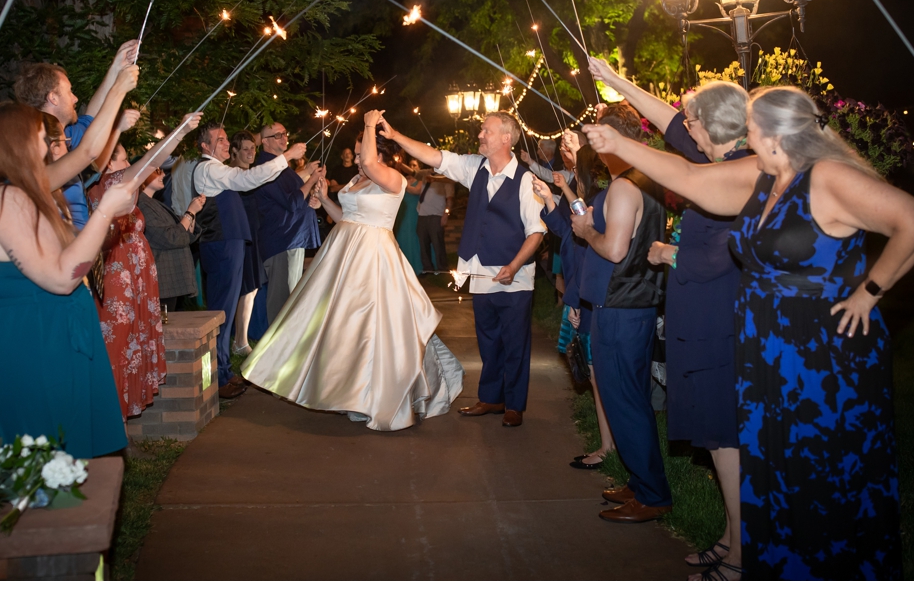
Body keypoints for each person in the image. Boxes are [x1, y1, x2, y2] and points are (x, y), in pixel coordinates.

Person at [578, 85, 914, 581]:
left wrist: (869, 291)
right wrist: (617, 142)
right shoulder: (764, 176)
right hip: (767, 350)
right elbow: (686, 174)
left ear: (770, 132)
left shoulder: (827, 177)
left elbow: (913, 220)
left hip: (824, 358)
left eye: (750, 123)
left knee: (820, 479)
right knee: (772, 475)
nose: (745, 131)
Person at [585, 57, 753, 576]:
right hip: (697, 323)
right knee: (716, 441)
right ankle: (730, 537)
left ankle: (744, 558)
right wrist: (615, 81)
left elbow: (729, 252)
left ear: (716, 125)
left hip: (720, 326)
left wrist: (668, 254)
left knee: (726, 441)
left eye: (694, 119)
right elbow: (674, 129)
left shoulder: (741, 170)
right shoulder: (719, 156)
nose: (686, 127)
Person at [0, 102, 170, 460]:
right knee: (36, 471)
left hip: (45, 336)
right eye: (42, 137)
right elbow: (61, 276)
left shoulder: (24, 191)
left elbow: (68, 248)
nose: (52, 143)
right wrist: (106, 211)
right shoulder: (7, 197)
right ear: (20, 142)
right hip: (25, 344)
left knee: (64, 472)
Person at [240, 111, 464, 431]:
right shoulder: (359, 180)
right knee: (343, 330)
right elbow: (344, 217)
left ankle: (383, 396)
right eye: (357, 155)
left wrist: (370, 124)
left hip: (374, 257)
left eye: (362, 154)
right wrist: (321, 197)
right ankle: (350, 392)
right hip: (343, 255)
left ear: (380, 153)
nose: (359, 160)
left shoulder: (392, 178)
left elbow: (372, 168)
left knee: (378, 328)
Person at [545, 106, 674, 526]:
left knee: (625, 401)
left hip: (620, 306)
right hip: (629, 303)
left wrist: (585, 232)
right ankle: (642, 482)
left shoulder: (623, 188)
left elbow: (615, 249)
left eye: (598, 139)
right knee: (630, 398)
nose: (593, 148)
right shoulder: (647, 183)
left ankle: (652, 495)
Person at [383, 111, 544, 427]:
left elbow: (536, 232)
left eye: (487, 131)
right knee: (488, 340)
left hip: (515, 277)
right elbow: (435, 156)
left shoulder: (526, 180)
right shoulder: (476, 168)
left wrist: (513, 265)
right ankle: (491, 398)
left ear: (506, 138)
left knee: (515, 343)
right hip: (480, 271)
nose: (480, 135)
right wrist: (396, 135)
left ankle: (514, 405)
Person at [180, 122, 303, 396]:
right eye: (220, 140)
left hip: (229, 244)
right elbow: (248, 180)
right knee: (220, 313)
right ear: (204, 146)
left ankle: (223, 371)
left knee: (224, 311)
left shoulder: (218, 169)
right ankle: (217, 378)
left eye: (225, 139)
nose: (226, 144)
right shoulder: (208, 168)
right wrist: (288, 156)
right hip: (222, 245)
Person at [12, 45, 140, 230]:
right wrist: (118, 90)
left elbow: (92, 121)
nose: (75, 98)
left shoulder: (68, 133)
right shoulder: (35, 147)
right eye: (69, 91)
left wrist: (115, 69)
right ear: (53, 98)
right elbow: (89, 152)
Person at [84, 146, 164, 418]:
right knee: (117, 345)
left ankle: (125, 415)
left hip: (136, 277)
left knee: (131, 344)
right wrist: (182, 130)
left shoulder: (121, 188)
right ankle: (112, 418)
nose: (129, 162)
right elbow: (147, 163)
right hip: (117, 275)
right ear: (106, 166)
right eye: (123, 158)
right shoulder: (105, 186)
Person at [246, 122, 322, 359]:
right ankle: (276, 357)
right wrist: (311, 179)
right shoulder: (266, 168)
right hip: (282, 240)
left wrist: (312, 199)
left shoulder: (282, 168)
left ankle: (286, 353)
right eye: (277, 135)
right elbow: (289, 203)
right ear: (265, 140)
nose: (283, 138)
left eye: (285, 133)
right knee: (282, 301)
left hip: (293, 238)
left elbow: (296, 199)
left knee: (291, 297)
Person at [137, 166, 202, 312]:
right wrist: (190, 212)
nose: (164, 174)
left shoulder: (153, 203)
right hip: (163, 280)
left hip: (169, 282)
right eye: (157, 171)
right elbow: (170, 237)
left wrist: (192, 215)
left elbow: (180, 230)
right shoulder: (142, 205)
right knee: (164, 329)